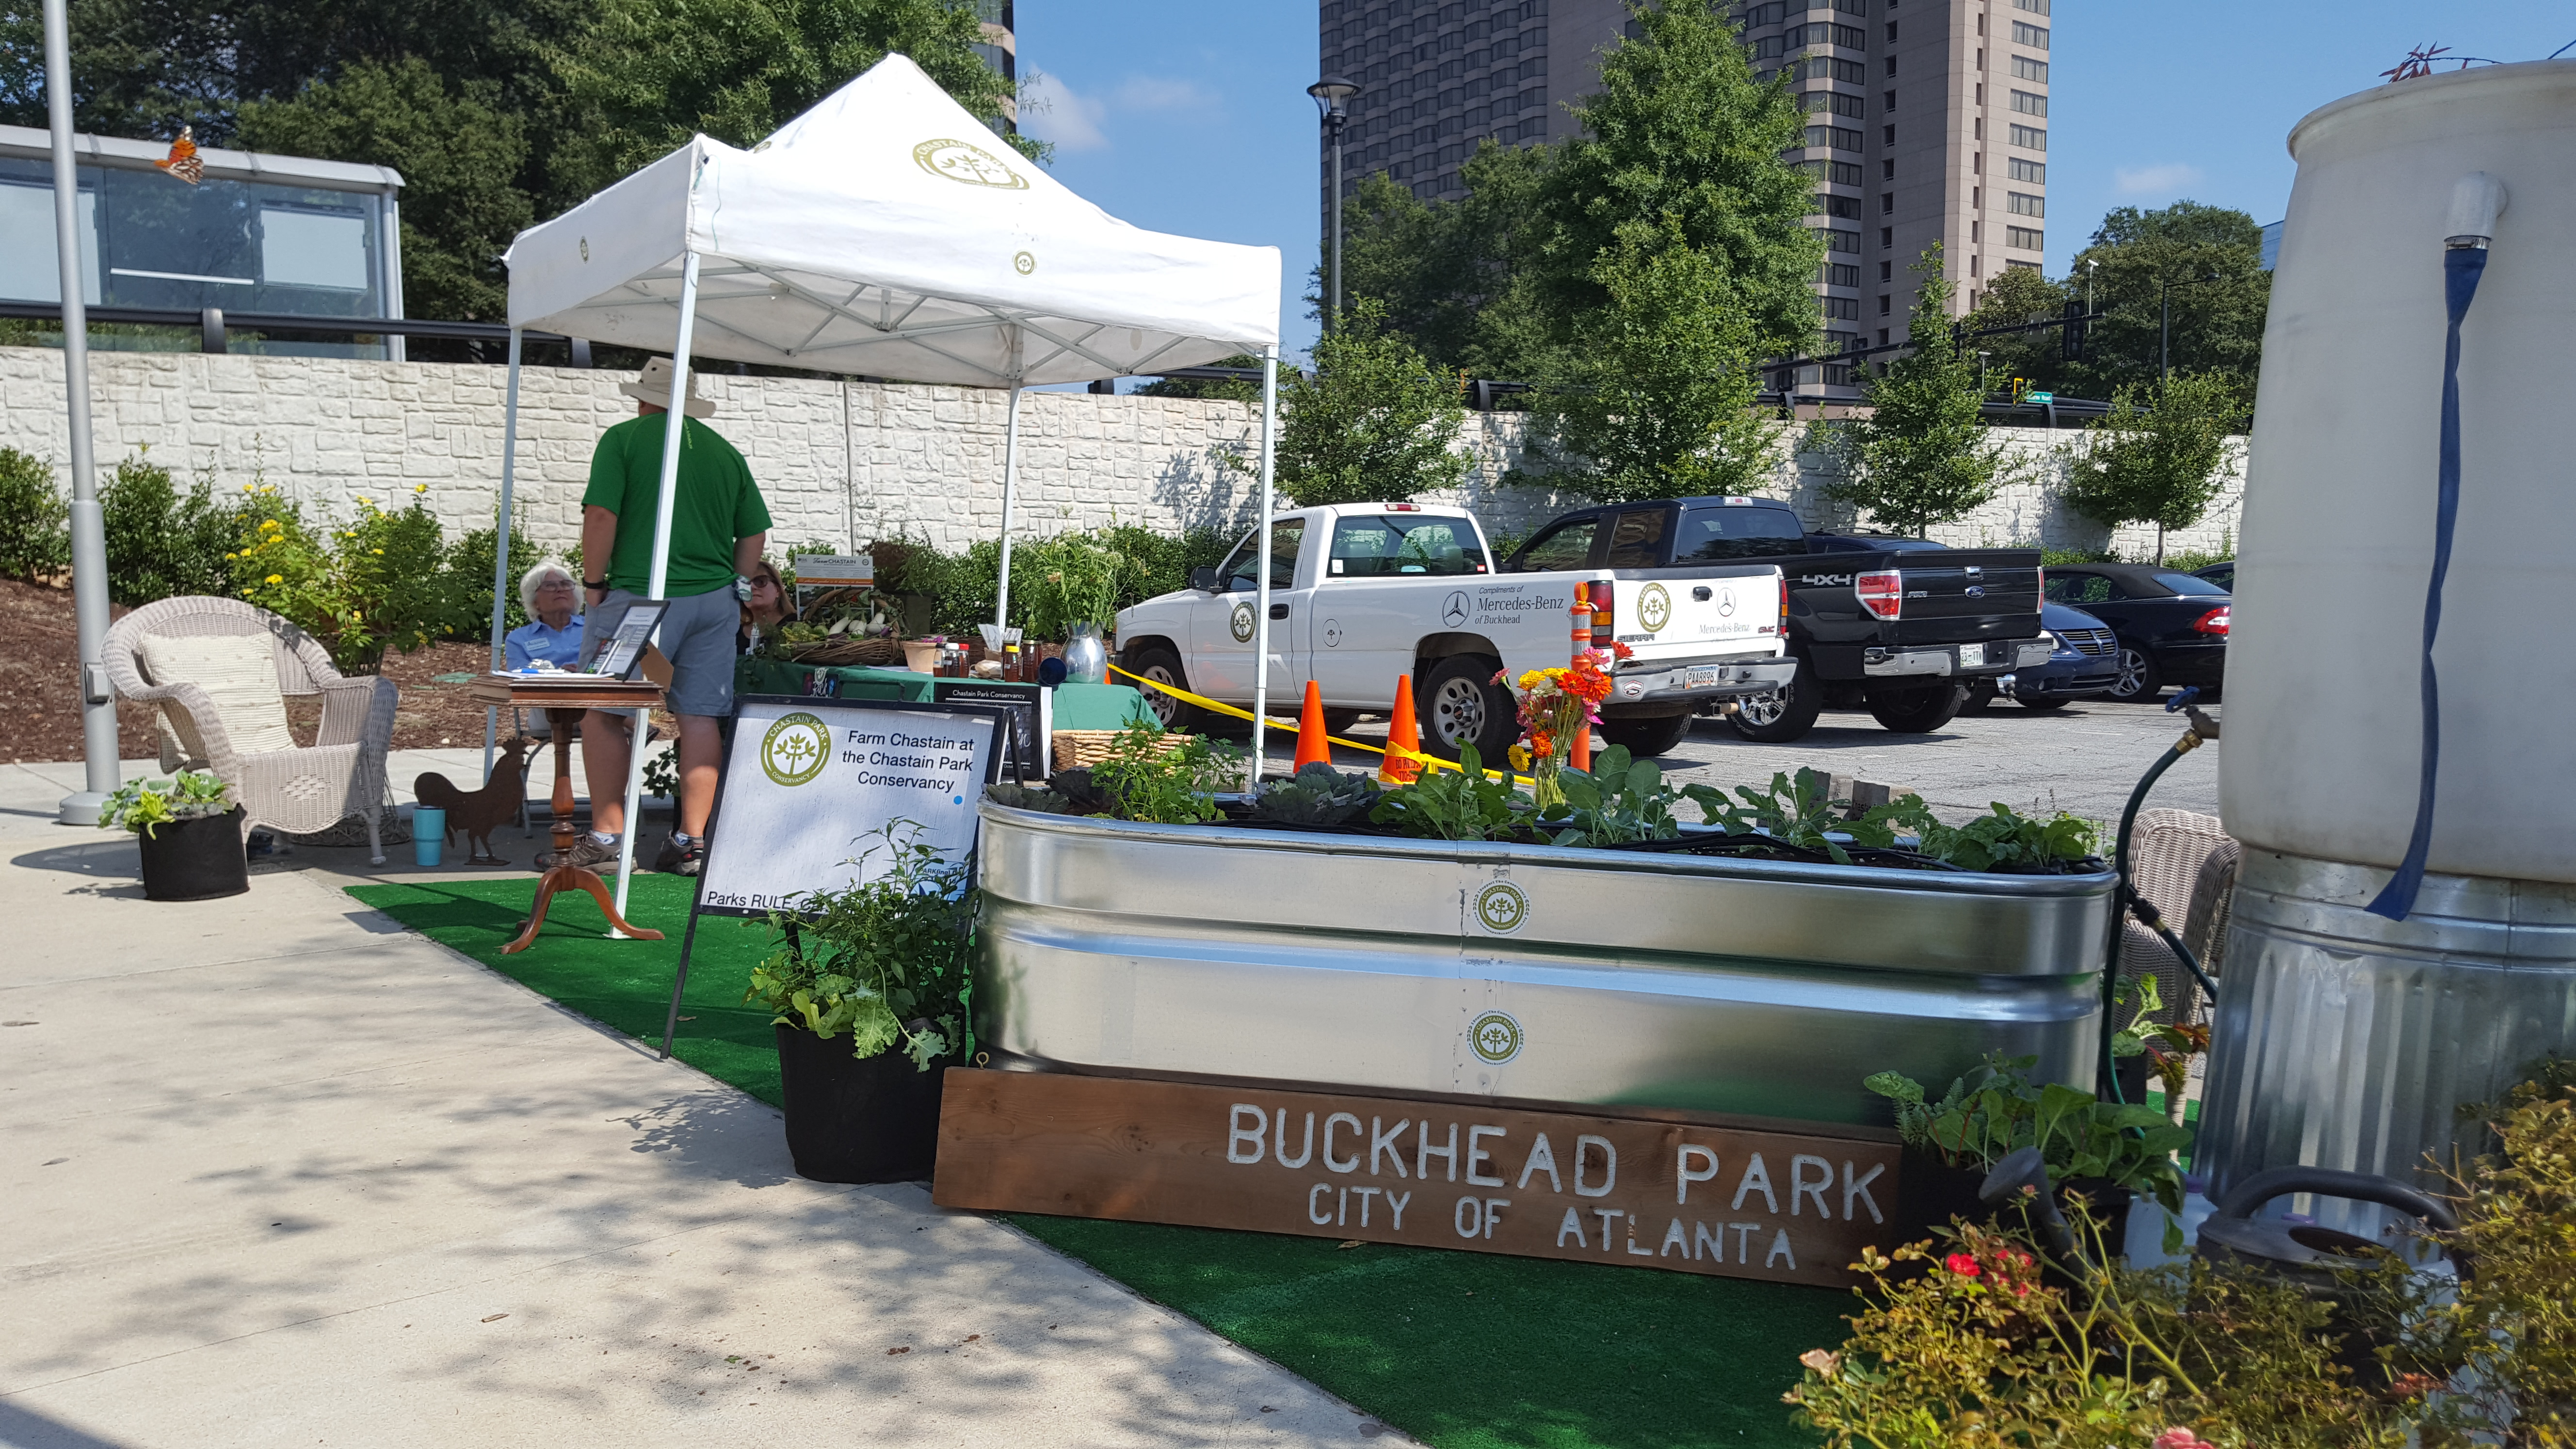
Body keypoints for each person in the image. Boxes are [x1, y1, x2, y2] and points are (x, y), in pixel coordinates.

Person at [546, 356, 770, 878]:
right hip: (714, 602)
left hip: (641, 598)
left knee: (604, 711)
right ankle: (690, 841)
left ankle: (607, 835)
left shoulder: (623, 440)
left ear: (645, 399)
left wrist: (595, 584)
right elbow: (754, 534)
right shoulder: (724, 453)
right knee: (697, 716)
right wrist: (735, 590)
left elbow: (601, 516)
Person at [739, 559, 791, 653]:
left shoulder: (794, 626)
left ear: (778, 590)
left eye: (760, 581)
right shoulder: (733, 632)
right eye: (745, 584)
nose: (752, 587)